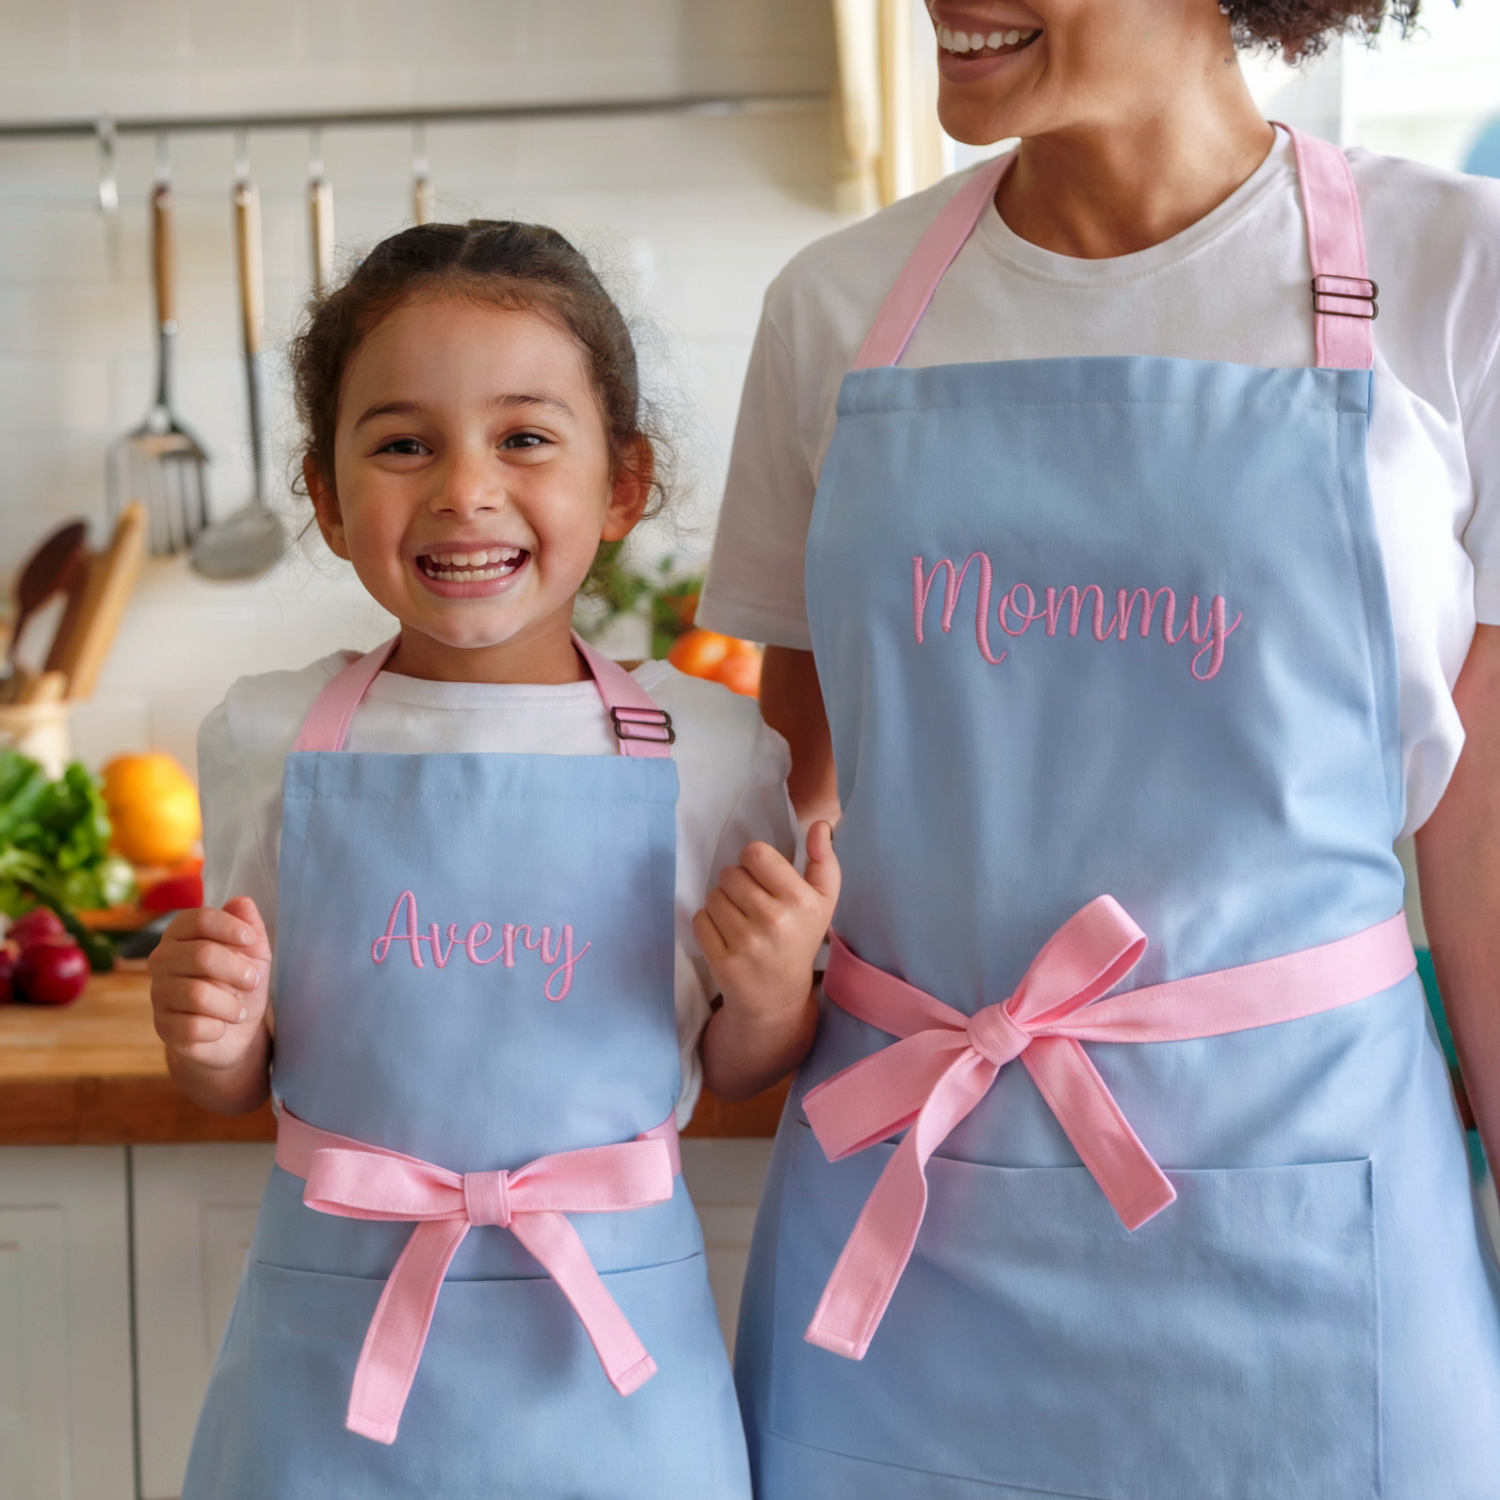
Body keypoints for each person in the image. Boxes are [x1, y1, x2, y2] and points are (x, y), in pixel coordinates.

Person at [696, 2, 1500, 1495]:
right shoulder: (836, 309)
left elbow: (1487, 844)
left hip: (1318, 1235)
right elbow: (780, 810)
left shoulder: (1464, 273)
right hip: (905, 1250)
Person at [147, 220, 821, 1499]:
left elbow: (733, 1065)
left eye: (524, 438)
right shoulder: (265, 736)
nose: (465, 489)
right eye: (404, 444)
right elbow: (244, 1079)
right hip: (327, 1363)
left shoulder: (716, 747)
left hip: (611, 1364)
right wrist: (210, 1032)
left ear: (624, 484)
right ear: (329, 497)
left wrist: (779, 992)